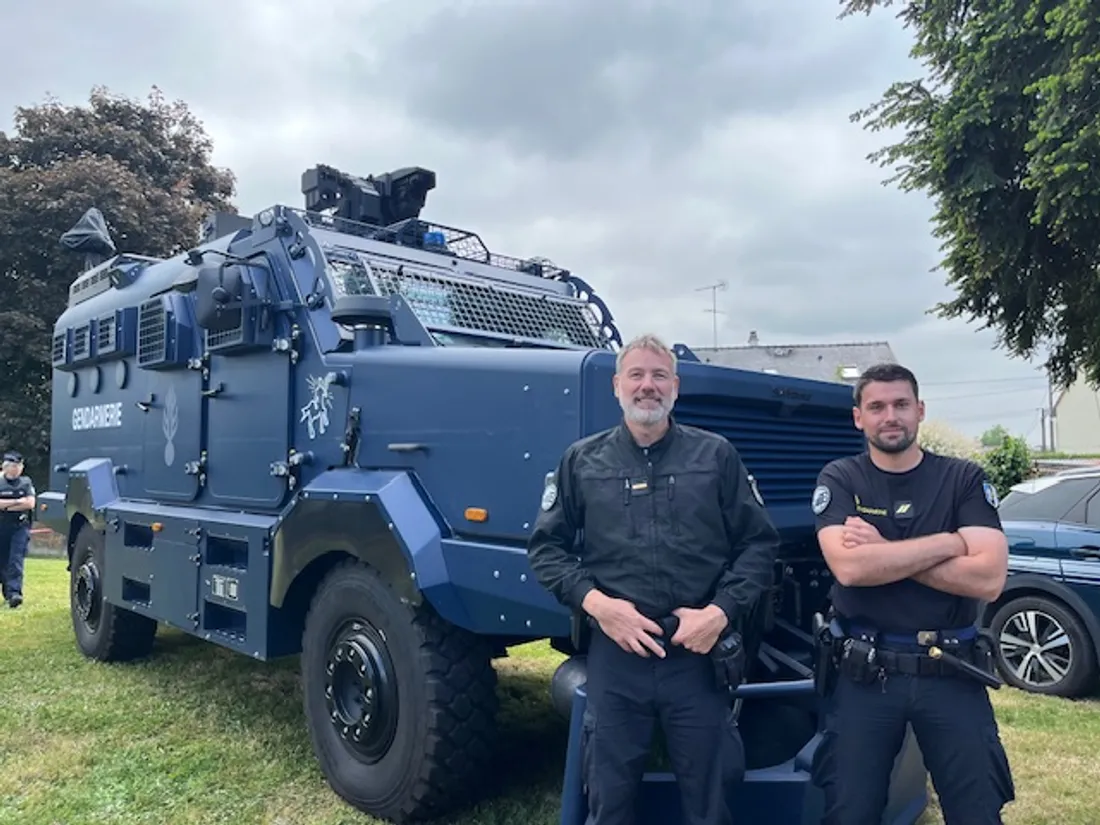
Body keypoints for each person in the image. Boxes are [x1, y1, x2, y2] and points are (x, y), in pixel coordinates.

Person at [527, 333, 781, 825]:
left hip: (698, 656)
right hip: (618, 656)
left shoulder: (716, 456)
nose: (648, 386)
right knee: (610, 797)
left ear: (676, 388)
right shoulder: (582, 461)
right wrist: (599, 605)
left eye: (659, 375)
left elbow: (759, 544)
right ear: (617, 387)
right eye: (637, 376)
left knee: (711, 797)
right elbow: (546, 549)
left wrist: (720, 612)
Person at [810, 363, 1015, 824]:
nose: (891, 416)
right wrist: (948, 543)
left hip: (952, 672)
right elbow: (850, 568)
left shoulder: (962, 479)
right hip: (866, 675)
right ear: (858, 418)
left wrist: (885, 552)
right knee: (849, 812)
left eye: (901, 404)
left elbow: (988, 578)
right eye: (877, 406)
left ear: (920, 410)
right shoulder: (841, 479)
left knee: (977, 812)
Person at [0, 450, 36, 609]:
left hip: (20, 526)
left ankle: (15, 593)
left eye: (19, 466)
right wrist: (17, 502)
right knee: (3, 561)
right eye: (14, 466)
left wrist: (5, 505)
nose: (18, 469)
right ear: (5, 467)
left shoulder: (26, 483)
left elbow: (30, 504)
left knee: (15, 560)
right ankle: (7, 592)